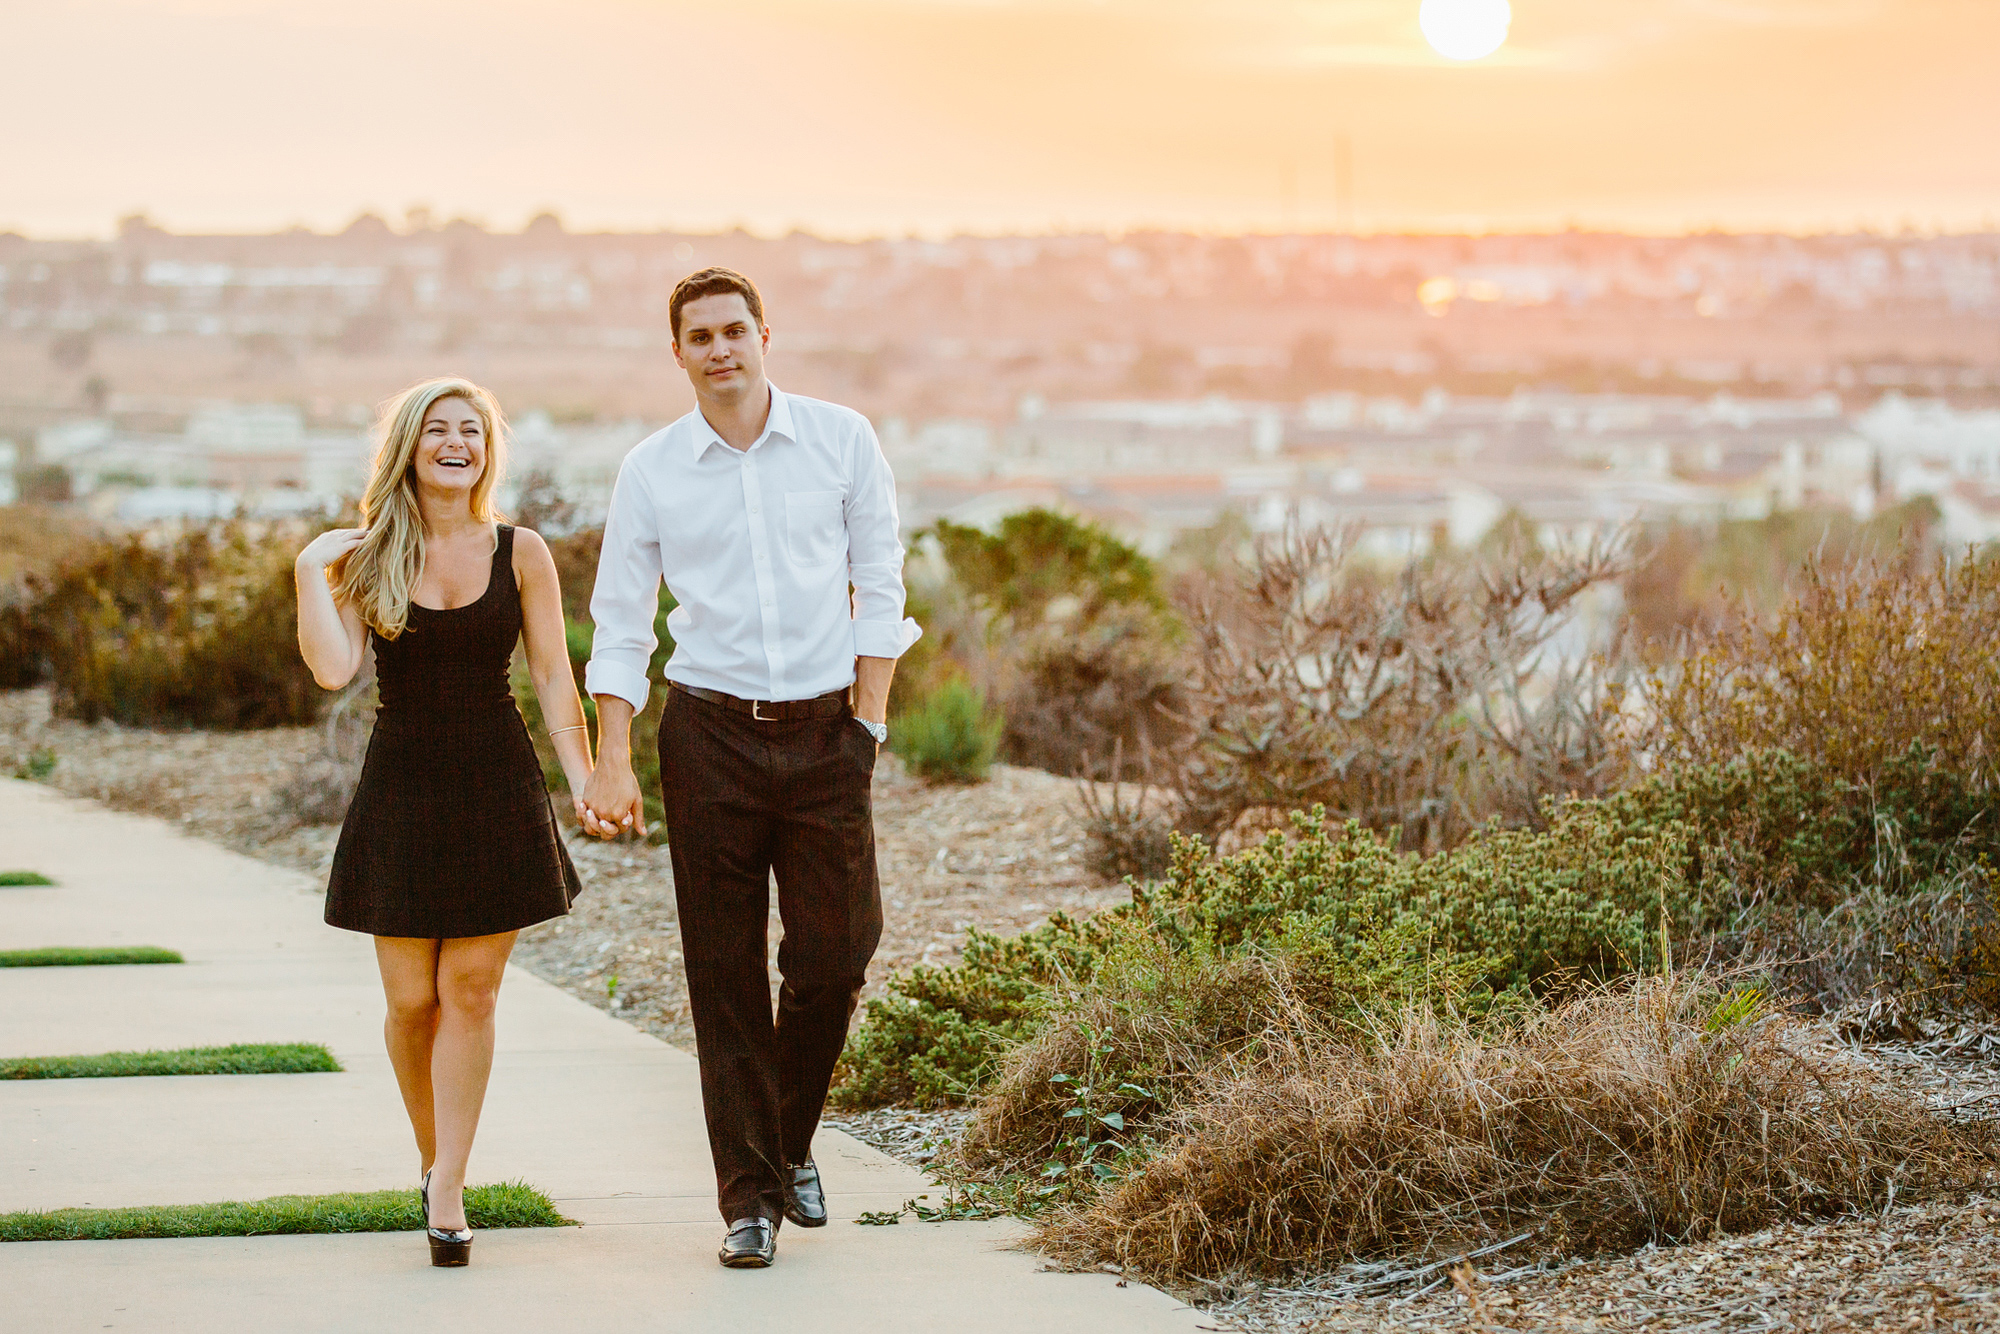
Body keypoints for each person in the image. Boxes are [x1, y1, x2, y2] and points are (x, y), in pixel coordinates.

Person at [580, 267, 920, 1269]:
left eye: (735, 330)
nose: (720, 349)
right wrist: (611, 756)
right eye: (700, 336)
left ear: (766, 334)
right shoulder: (651, 468)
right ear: (676, 353)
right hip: (708, 734)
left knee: (836, 947)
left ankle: (783, 1136)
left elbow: (882, 579)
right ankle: (749, 1201)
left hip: (826, 732)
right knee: (721, 968)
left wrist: (866, 722)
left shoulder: (841, 438)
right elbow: (617, 619)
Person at [294, 377, 600, 1268]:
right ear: (410, 446)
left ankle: (449, 1189)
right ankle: (434, 1164)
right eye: (438, 429)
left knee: (470, 991)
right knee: (409, 1003)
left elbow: (551, 676)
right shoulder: (370, 552)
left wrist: (582, 777)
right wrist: (309, 567)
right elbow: (331, 667)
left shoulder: (522, 551)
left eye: (472, 429)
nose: (456, 441)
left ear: (486, 449)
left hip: (496, 786)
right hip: (400, 787)